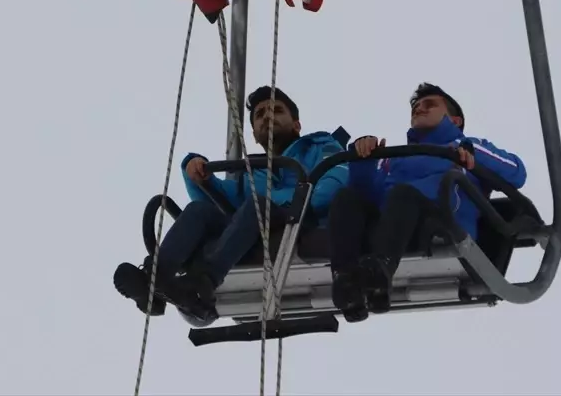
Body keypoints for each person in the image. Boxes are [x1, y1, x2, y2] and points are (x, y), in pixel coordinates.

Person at [113, 85, 349, 323]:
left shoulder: (321, 146)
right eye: (259, 115)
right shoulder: (251, 172)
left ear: (296, 124)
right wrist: (195, 170)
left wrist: (285, 202)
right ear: (255, 134)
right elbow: (221, 203)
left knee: (257, 205)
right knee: (199, 211)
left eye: (276, 110)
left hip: (304, 222)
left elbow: (332, 184)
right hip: (253, 226)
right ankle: (155, 281)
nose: (267, 116)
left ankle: (204, 283)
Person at [325, 82, 527, 322]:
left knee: (404, 194)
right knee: (346, 198)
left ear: (455, 120)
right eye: (415, 107)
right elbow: (367, 195)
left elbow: (517, 173)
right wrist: (364, 160)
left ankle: (381, 270)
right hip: (395, 226)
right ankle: (345, 280)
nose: (419, 110)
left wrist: (472, 154)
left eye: (429, 105)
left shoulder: (468, 148)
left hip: (441, 221)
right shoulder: (395, 159)